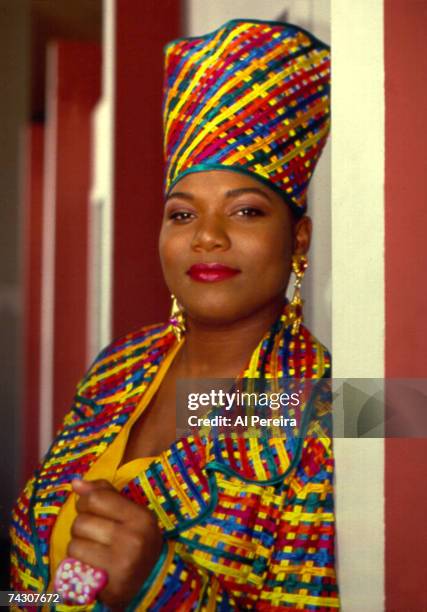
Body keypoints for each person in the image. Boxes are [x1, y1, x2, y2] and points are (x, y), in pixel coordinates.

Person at [10, 19, 339, 611]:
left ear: (299, 238)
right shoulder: (121, 366)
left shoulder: (328, 405)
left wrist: (156, 586)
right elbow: (44, 589)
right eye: (183, 215)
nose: (207, 238)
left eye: (245, 212)